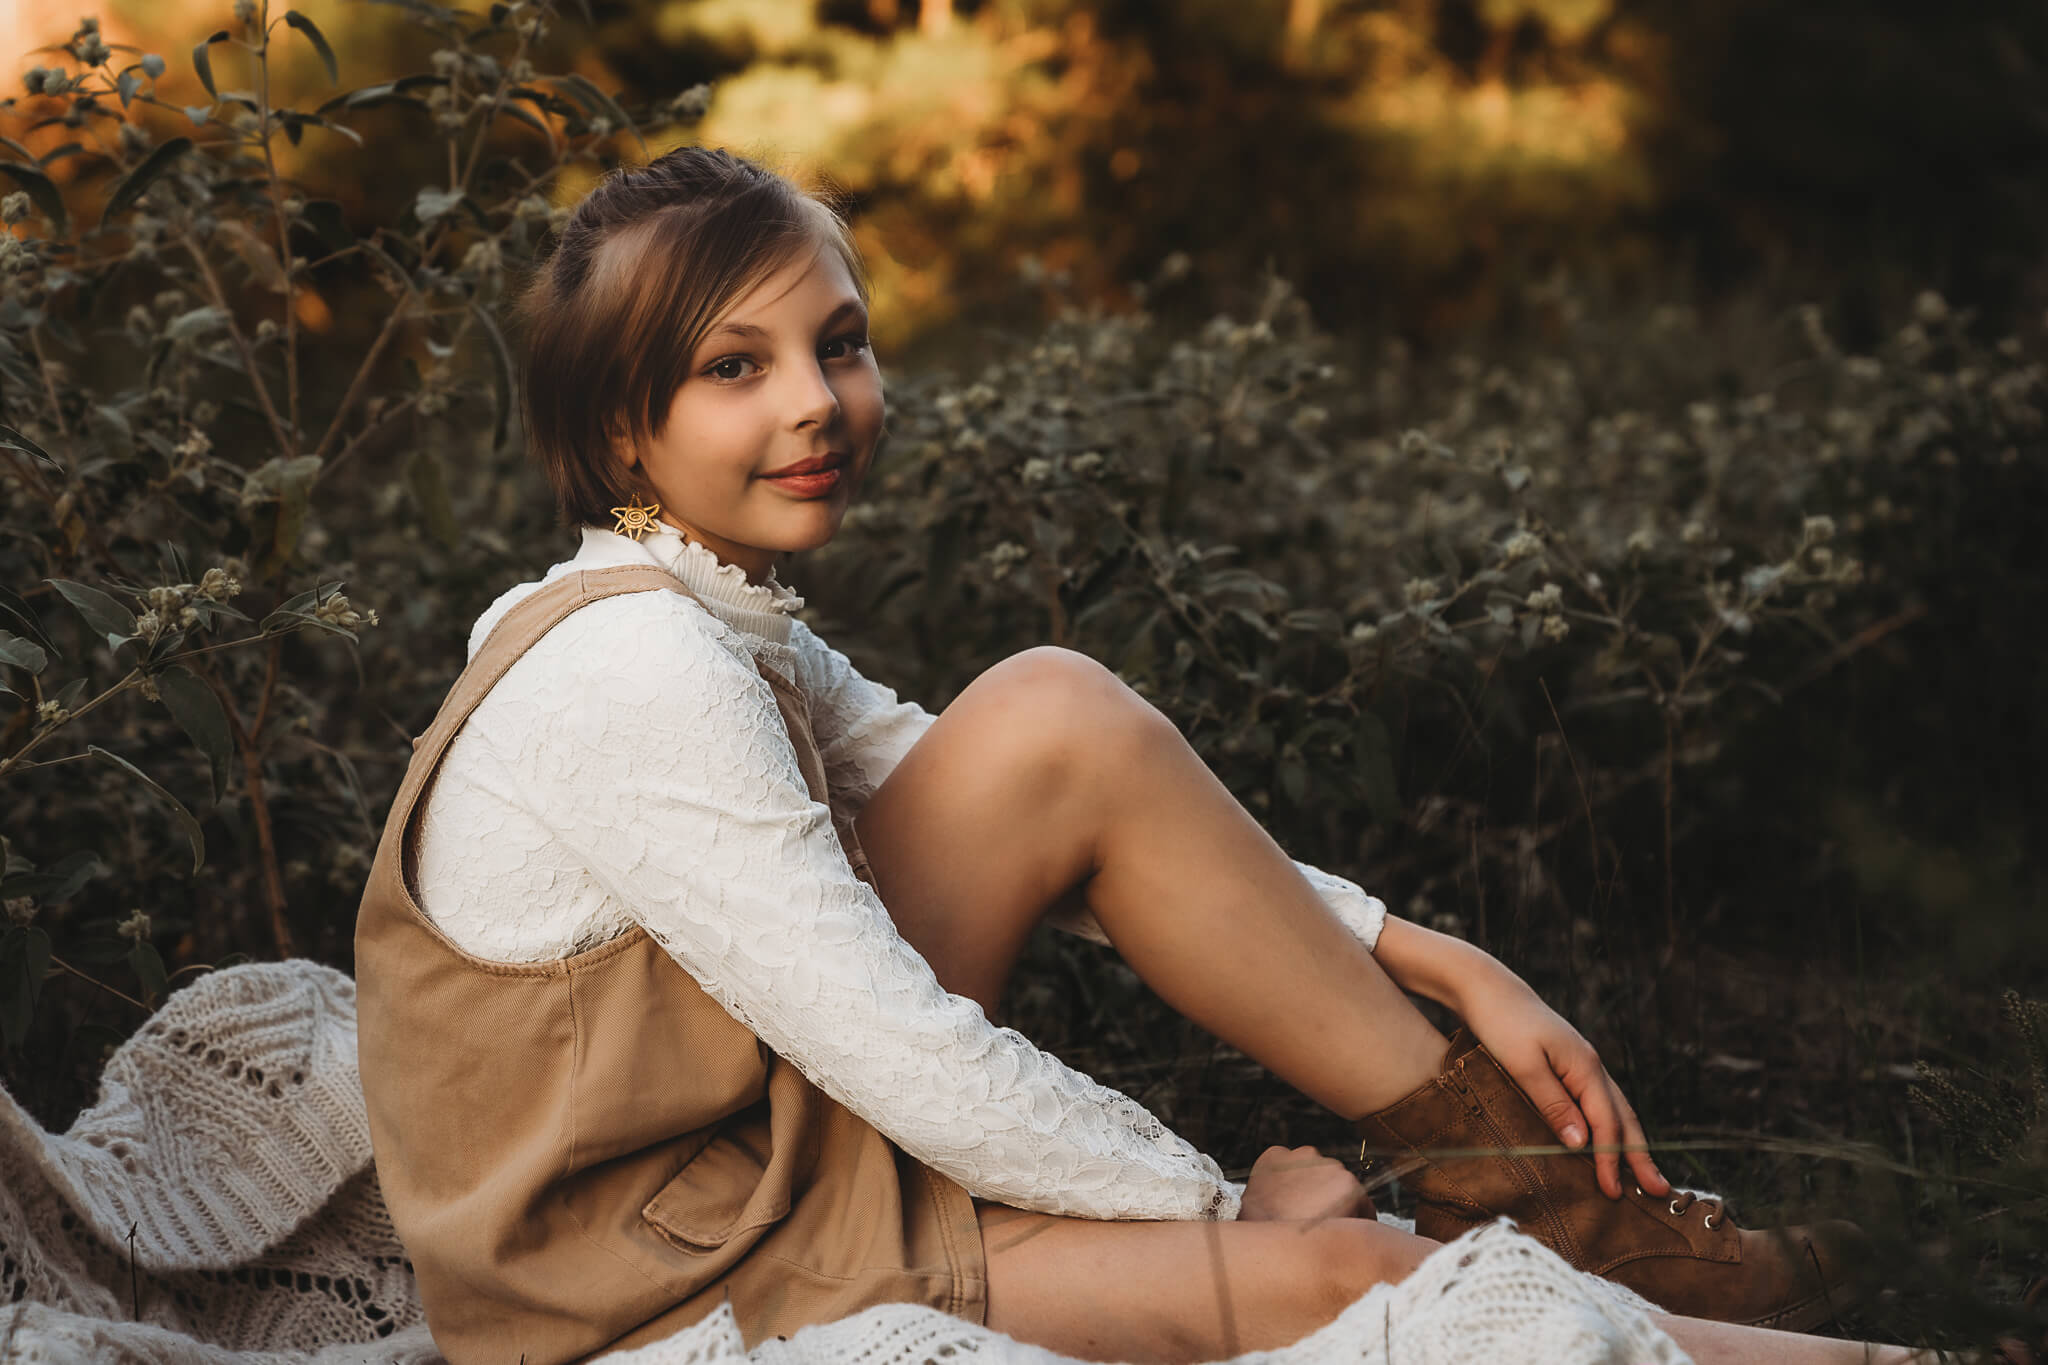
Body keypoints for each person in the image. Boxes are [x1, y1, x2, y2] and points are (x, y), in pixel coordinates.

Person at [352, 146, 1918, 1365]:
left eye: (841, 343)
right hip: (652, 1285)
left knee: (1051, 709)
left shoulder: (707, 611)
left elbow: (1044, 785)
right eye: (734, 368)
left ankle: (1542, 1195)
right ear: (624, 431)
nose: (819, 404)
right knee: (1337, 1273)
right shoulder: (636, 665)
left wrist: (1433, 954)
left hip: (754, 1159)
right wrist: (1225, 1204)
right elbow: (906, 1049)